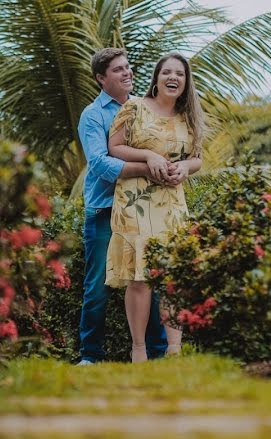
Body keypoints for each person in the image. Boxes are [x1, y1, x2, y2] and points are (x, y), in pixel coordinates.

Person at [105, 51, 205, 362]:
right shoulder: (134, 107)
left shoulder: (189, 117)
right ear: (156, 79)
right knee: (140, 276)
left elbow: (198, 157)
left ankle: (174, 351)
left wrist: (186, 168)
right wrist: (149, 157)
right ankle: (139, 350)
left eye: (180, 74)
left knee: (173, 274)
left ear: (186, 82)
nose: (173, 78)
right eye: (167, 73)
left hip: (172, 203)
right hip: (135, 201)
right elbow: (114, 147)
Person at [77, 48, 168, 365]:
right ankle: (90, 356)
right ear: (101, 78)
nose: (127, 73)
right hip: (104, 210)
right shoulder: (93, 115)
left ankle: (158, 353)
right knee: (97, 287)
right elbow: (100, 164)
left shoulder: (141, 109)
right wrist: (147, 167)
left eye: (127, 67)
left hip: (140, 209)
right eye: (118, 70)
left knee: (146, 280)